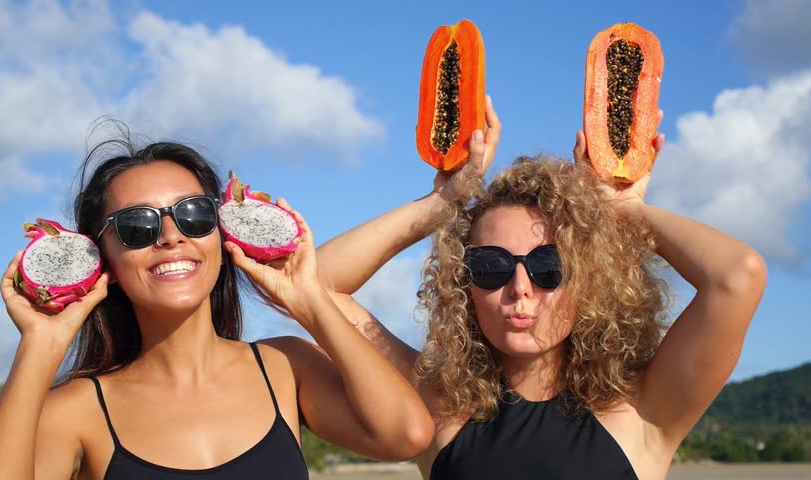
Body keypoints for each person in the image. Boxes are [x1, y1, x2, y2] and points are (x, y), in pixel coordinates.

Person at [316, 97, 767, 479]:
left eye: (548, 266)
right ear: (463, 284)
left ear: (588, 277)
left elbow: (737, 276)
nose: (519, 287)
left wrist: (621, 210)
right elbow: (314, 282)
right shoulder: (437, 408)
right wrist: (441, 203)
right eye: (491, 266)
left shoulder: (642, 408)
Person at [0, 129, 434, 479]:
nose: (170, 236)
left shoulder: (286, 367)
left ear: (221, 233)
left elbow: (406, 435)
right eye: (137, 227)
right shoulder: (75, 411)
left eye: (194, 215)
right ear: (102, 256)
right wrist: (39, 345)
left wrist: (307, 299)